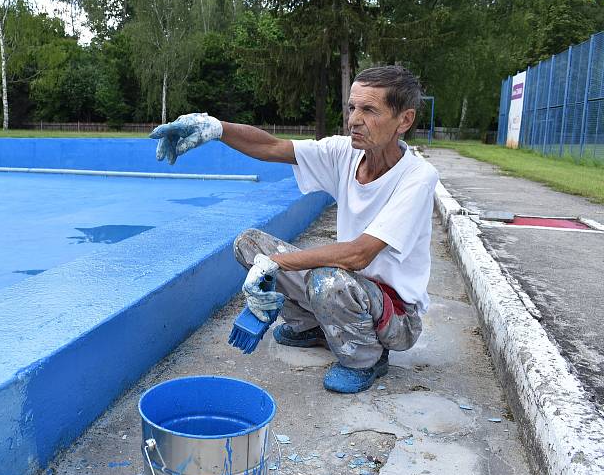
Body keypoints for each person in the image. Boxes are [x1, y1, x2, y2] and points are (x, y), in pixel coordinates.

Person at [149, 65, 438, 393]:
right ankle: (313, 327)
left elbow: (359, 253)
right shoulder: (345, 153)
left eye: (369, 110)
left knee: (324, 278)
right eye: (352, 107)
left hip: (396, 315)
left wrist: (278, 264)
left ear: (405, 120)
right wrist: (215, 127)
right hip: (348, 287)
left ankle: (365, 357)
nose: (354, 119)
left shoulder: (417, 177)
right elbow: (272, 147)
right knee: (249, 244)